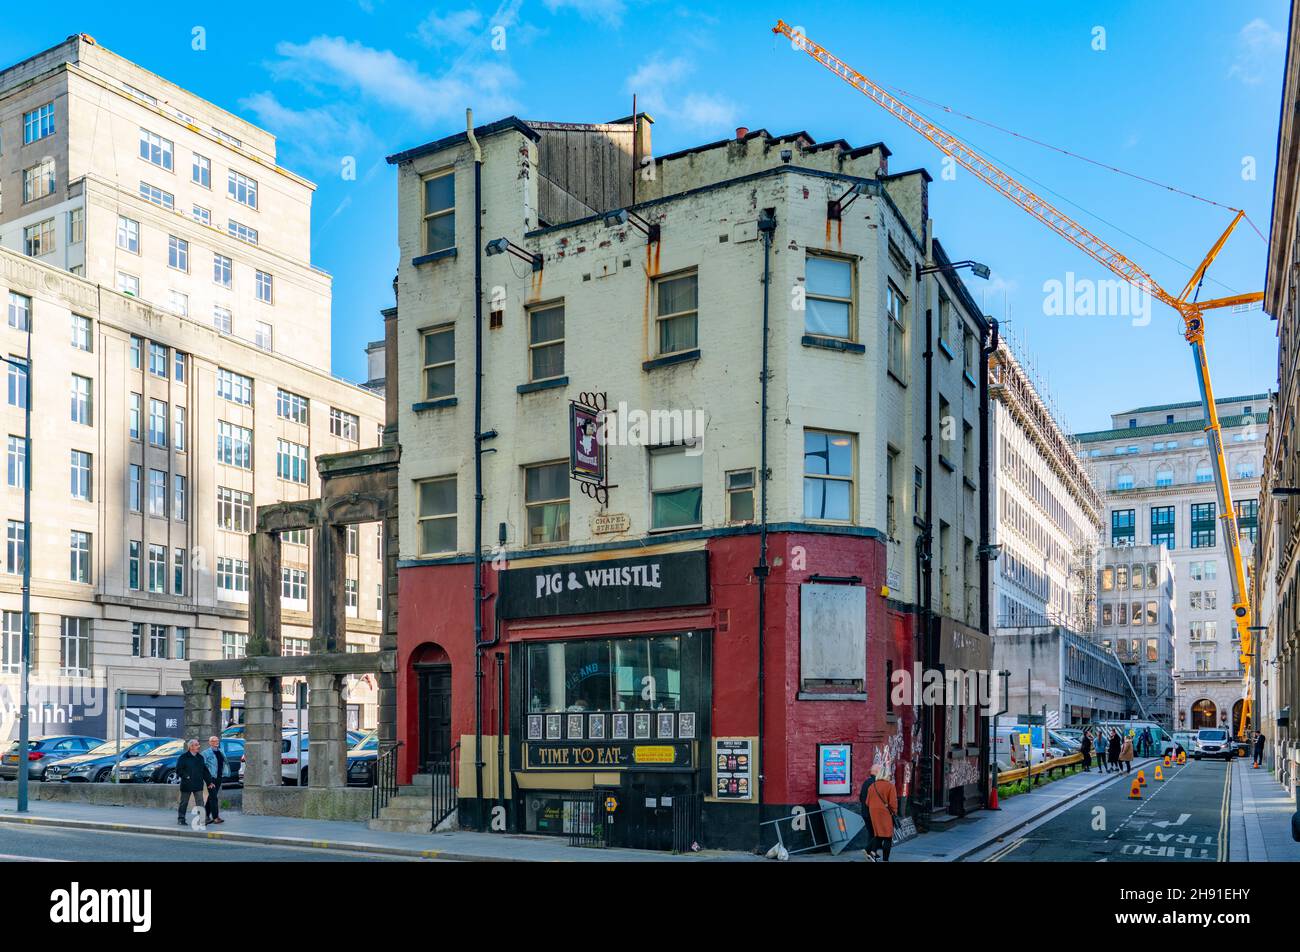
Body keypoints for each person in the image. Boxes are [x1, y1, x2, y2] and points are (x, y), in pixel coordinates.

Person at [863, 764, 899, 862]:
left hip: (873, 813)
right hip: (885, 813)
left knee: (878, 834)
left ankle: (872, 853)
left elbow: (867, 802)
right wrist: (894, 812)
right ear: (887, 775)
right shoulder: (890, 786)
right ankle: (885, 860)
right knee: (888, 836)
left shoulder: (872, 786)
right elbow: (893, 802)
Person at [176, 738, 214, 827]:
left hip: (198, 784)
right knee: (184, 802)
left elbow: (205, 771)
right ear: (191, 747)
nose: (199, 746)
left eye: (198, 744)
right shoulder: (183, 757)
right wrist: (186, 776)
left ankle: (202, 820)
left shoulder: (200, 757)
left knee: (200, 802)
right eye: (197, 745)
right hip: (187, 784)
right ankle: (181, 819)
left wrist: (209, 782)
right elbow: (178, 770)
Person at [202, 736, 226, 824]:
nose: (216, 742)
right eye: (214, 741)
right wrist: (208, 780)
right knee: (214, 797)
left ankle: (205, 816)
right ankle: (216, 817)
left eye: (217, 740)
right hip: (211, 778)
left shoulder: (221, 751)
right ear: (210, 742)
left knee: (212, 796)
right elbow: (203, 767)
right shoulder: (205, 753)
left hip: (219, 777)